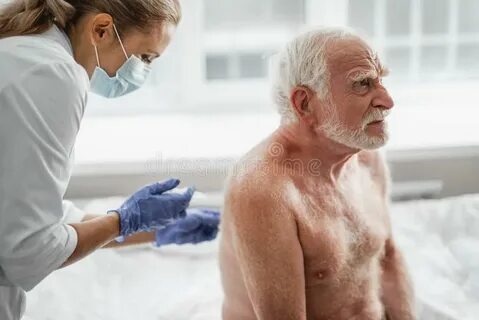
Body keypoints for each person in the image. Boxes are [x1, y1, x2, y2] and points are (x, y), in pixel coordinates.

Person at [0, 1, 220, 319]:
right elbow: (30, 251)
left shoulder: (27, 50)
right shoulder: (55, 74)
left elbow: (36, 216)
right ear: (101, 30)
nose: (143, 72)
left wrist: (149, 229)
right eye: (145, 57)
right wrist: (124, 221)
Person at [219, 28, 415, 320]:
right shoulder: (264, 191)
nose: (387, 101)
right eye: (363, 84)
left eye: (380, 80)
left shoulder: (367, 160)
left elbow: (388, 257)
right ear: (305, 104)